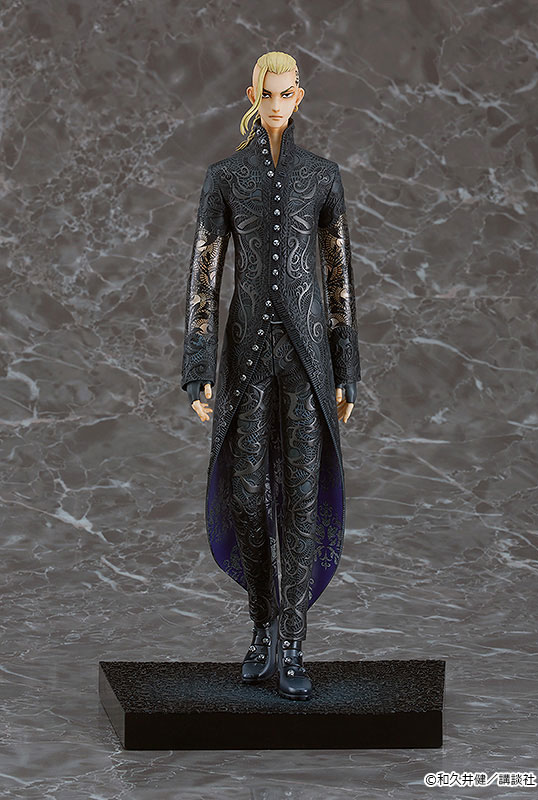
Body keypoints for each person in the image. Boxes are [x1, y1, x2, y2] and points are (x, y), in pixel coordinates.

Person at [181, 51, 360, 701]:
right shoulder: (225, 177)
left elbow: (338, 278)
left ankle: (293, 640)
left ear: (300, 96)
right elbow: (204, 273)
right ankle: (261, 623)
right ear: (252, 93)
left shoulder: (321, 175)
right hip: (246, 358)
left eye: (288, 93)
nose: (278, 103)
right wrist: (198, 365)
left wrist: (346, 367)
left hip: (309, 360)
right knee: (248, 492)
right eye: (268, 92)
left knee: (303, 497)